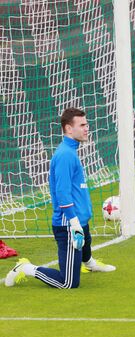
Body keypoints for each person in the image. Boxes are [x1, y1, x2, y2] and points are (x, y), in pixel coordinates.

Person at [5, 107, 116, 288]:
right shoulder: (65, 155)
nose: (86, 128)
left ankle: (89, 264)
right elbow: (62, 194)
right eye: (82, 125)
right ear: (68, 129)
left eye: (86, 124)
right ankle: (25, 268)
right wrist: (74, 224)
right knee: (68, 283)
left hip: (79, 219)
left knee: (86, 241)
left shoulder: (71, 150)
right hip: (68, 224)